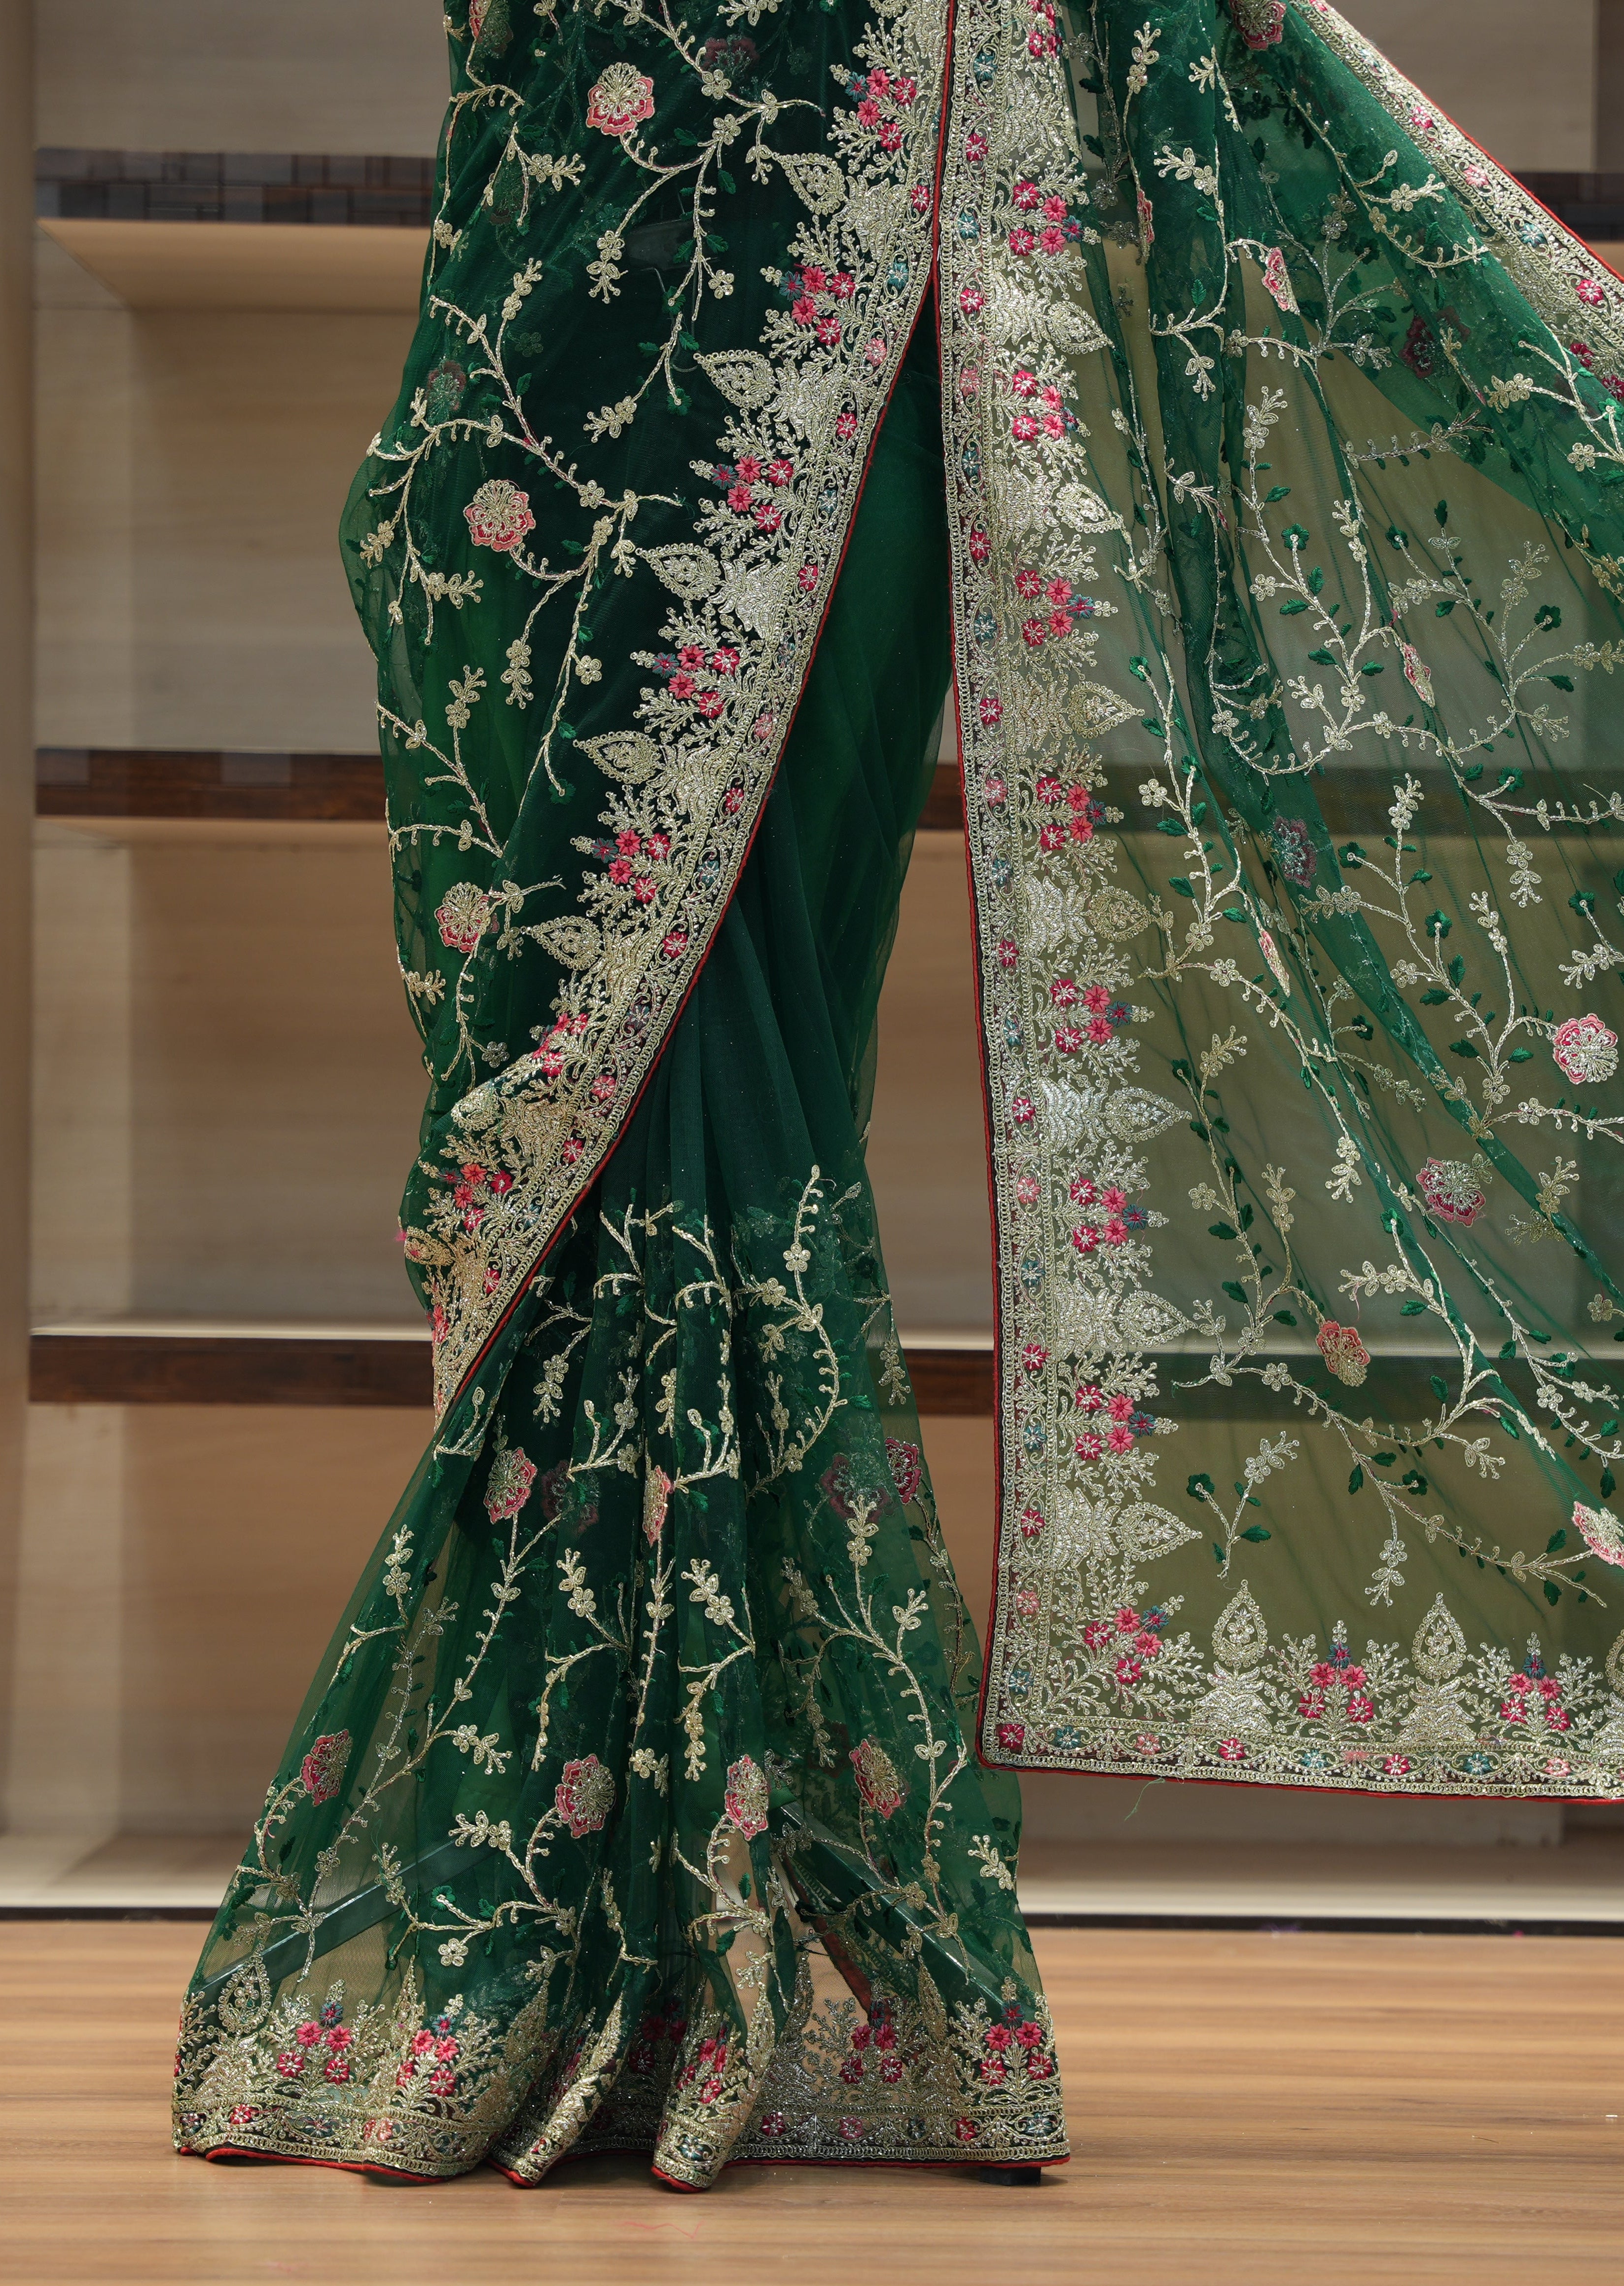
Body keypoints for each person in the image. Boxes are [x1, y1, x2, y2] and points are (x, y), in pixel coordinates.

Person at [177, 0, 1624, 2188]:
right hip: (541, 264)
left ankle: (623, 1937)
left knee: (704, 1069)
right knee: (566, 1066)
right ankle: (608, 1924)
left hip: (815, 281)